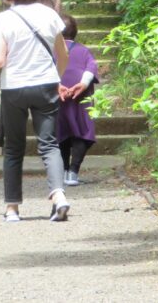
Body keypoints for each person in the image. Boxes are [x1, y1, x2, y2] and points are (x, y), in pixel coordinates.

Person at [0, 0, 70, 223]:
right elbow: (63, 55)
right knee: (49, 144)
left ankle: (12, 208)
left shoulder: (5, 18)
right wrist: (56, 78)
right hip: (46, 84)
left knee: (13, 148)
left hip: (14, 88)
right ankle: (58, 195)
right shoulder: (49, 14)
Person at [57, 14, 99, 186]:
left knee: (60, 134)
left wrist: (58, 86)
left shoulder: (52, 51)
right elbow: (91, 67)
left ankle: (63, 170)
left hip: (58, 97)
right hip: (79, 99)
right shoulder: (83, 51)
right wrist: (83, 83)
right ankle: (73, 172)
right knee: (81, 133)